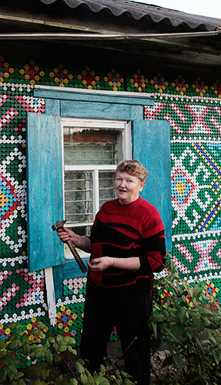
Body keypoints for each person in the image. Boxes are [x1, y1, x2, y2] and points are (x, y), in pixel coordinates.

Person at [58, 159, 166, 385]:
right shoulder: (106, 210)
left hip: (132, 295)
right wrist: (76, 239)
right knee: (90, 348)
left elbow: (156, 261)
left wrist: (112, 262)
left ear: (141, 185)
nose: (122, 185)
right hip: (99, 291)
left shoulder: (149, 215)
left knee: (134, 351)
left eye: (129, 180)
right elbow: (93, 244)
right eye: (119, 179)